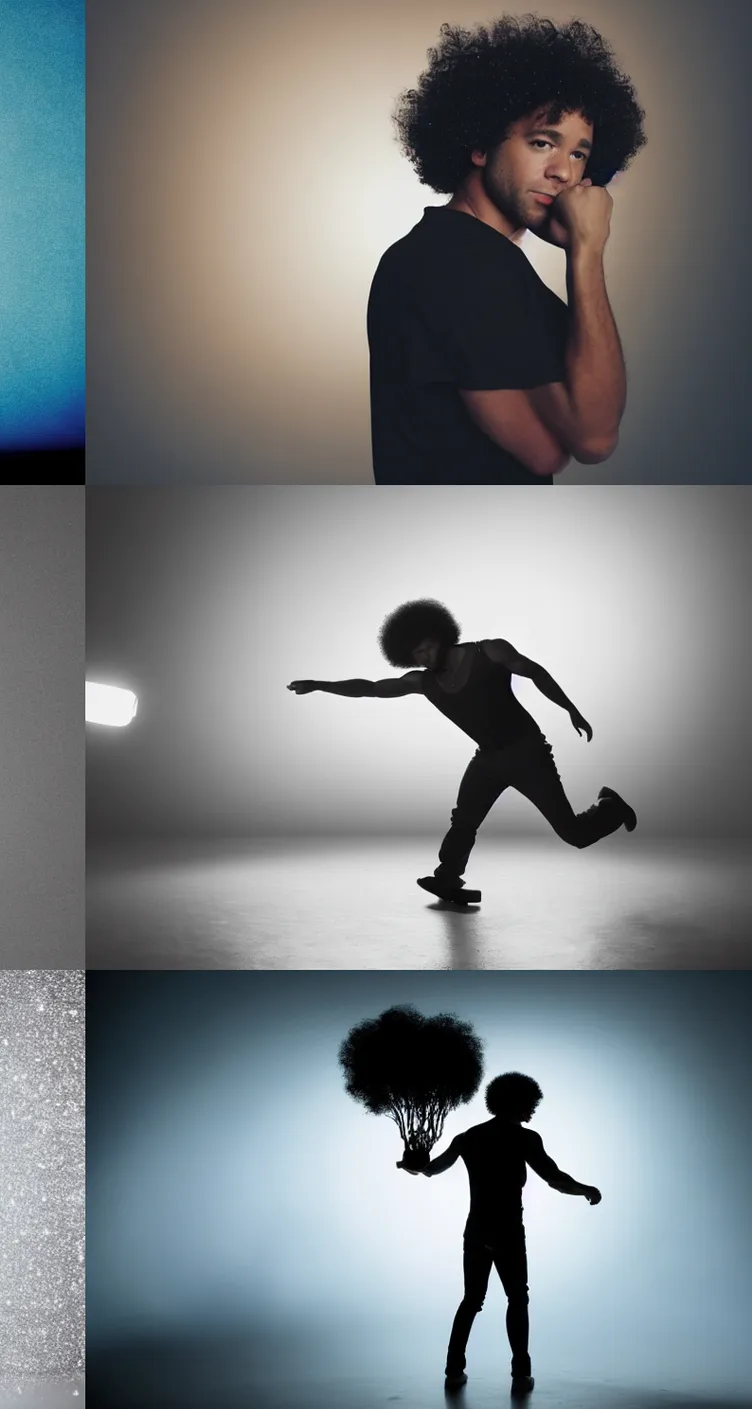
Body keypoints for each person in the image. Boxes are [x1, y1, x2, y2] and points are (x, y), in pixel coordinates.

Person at [368, 15, 645, 482]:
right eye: (542, 142)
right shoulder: (460, 262)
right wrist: (588, 251)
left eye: (579, 153)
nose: (564, 172)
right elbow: (586, 441)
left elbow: (580, 423)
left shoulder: (465, 254)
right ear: (480, 143)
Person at [287, 598, 635, 904]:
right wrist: (319, 685)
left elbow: (534, 672)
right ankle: (448, 878)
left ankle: (610, 806)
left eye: (424, 649)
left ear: (439, 635)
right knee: (464, 819)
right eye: (414, 656)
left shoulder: (489, 651)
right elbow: (371, 689)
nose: (422, 659)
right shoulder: (422, 682)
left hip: (527, 753)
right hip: (488, 759)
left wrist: (570, 708)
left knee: (574, 834)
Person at [401, 1072, 601, 1395]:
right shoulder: (525, 1139)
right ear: (516, 1102)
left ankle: (454, 1371)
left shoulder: (468, 1138)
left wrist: (412, 1163)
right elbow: (554, 1178)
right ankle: (520, 1375)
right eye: (529, 1103)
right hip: (508, 1232)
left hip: (477, 1230)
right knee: (517, 1298)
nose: (533, 1110)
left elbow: (429, 1170)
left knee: (472, 1300)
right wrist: (585, 1190)